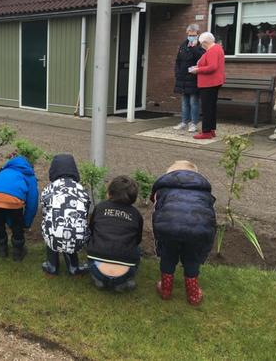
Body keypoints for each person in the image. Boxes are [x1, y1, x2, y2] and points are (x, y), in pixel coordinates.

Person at [151, 160, 216, 306]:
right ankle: (193, 294)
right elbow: (209, 212)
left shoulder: (163, 190)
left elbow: (156, 209)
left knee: (168, 256)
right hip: (198, 230)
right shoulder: (204, 192)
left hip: (169, 228)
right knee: (192, 258)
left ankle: (165, 289)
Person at [86, 176, 143, 292]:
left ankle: (100, 279)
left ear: (109, 192)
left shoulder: (100, 208)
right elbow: (138, 239)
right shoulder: (136, 214)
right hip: (126, 270)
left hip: (96, 267)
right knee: (138, 248)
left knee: (93, 241)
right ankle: (122, 281)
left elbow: (91, 230)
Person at [40, 154, 91, 275]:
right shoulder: (81, 190)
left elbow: (45, 212)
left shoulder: (49, 189)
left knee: (50, 225)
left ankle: (52, 265)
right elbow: (85, 213)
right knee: (73, 229)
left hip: (53, 235)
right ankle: (73, 266)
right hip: (77, 237)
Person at [0, 155, 39, 262]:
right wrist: (26, 222)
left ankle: (1, 249)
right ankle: (18, 252)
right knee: (17, 225)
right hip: (13, 199)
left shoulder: (4, 171)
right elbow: (32, 202)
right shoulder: (28, 175)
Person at [190, 32, 226, 140]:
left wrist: (197, 70)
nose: (201, 45)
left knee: (206, 108)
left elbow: (212, 67)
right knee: (211, 107)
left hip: (209, 83)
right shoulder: (216, 48)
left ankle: (206, 132)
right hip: (213, 82)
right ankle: (211, 129)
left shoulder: (213, 50)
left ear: (205, 42)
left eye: (201, 43)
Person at [173, 24, 205, 133]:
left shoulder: (201, 45)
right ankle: (184, 122)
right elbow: (178, 60)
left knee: (194, 102)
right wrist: (177, 72)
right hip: (182, 78)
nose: (191, 36)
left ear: (197, 34)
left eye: (194, 35)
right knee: (184, 102)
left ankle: (194, 123)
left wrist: (194, 47)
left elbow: (201, 58)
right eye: (190, 34)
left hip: (194, 78)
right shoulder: (183, 45)